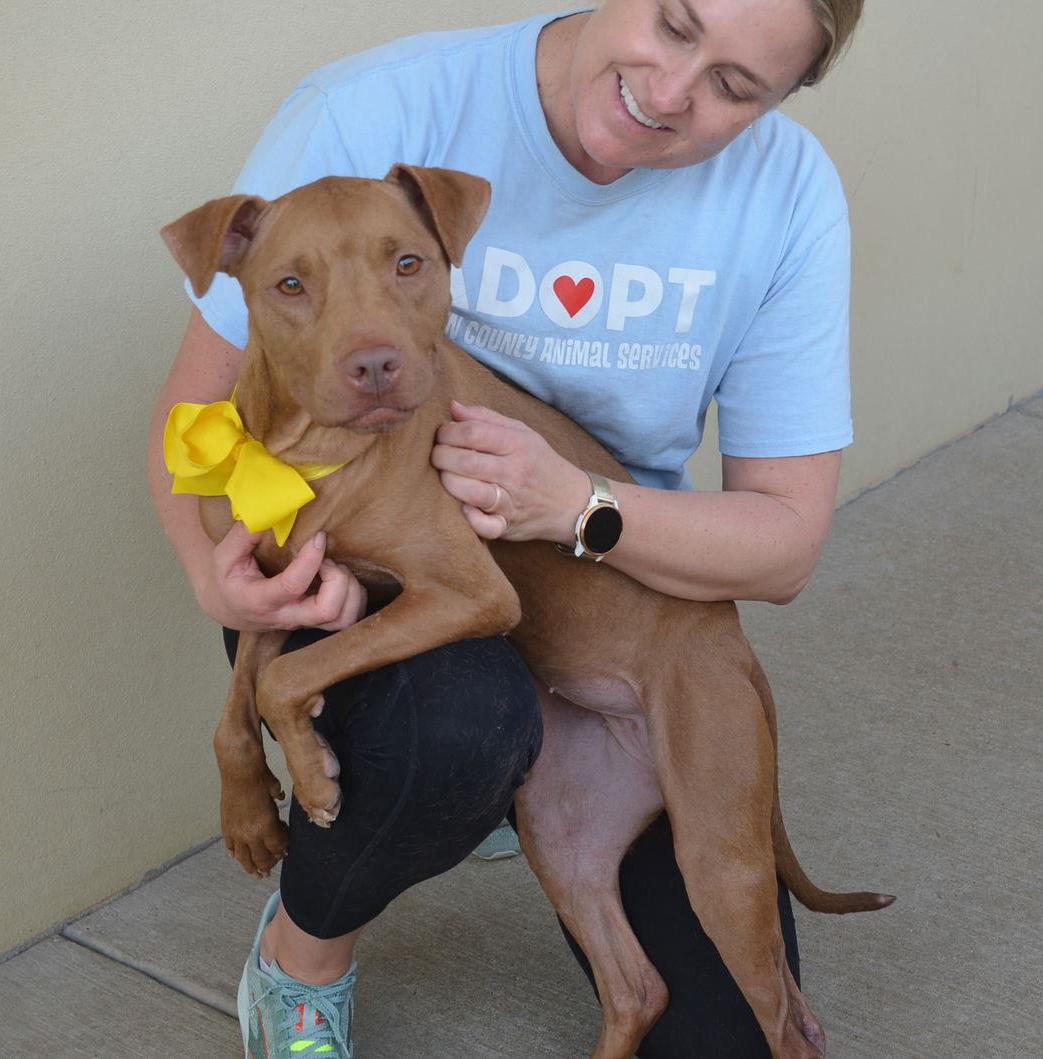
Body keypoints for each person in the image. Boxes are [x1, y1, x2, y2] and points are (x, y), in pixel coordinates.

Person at [147, 1, 864, 1055]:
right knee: (455, 737)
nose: (672, 93)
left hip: (617, 613)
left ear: (779, 102)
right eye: (673, 24)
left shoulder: (786, 193)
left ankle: (523, 823)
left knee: (730, 1035)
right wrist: (217, 583)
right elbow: (195, 427)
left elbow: (786, 545)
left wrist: (575, 503)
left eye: (735, 86)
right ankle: (303, 960)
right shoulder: (373, 114)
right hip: (417, 610)